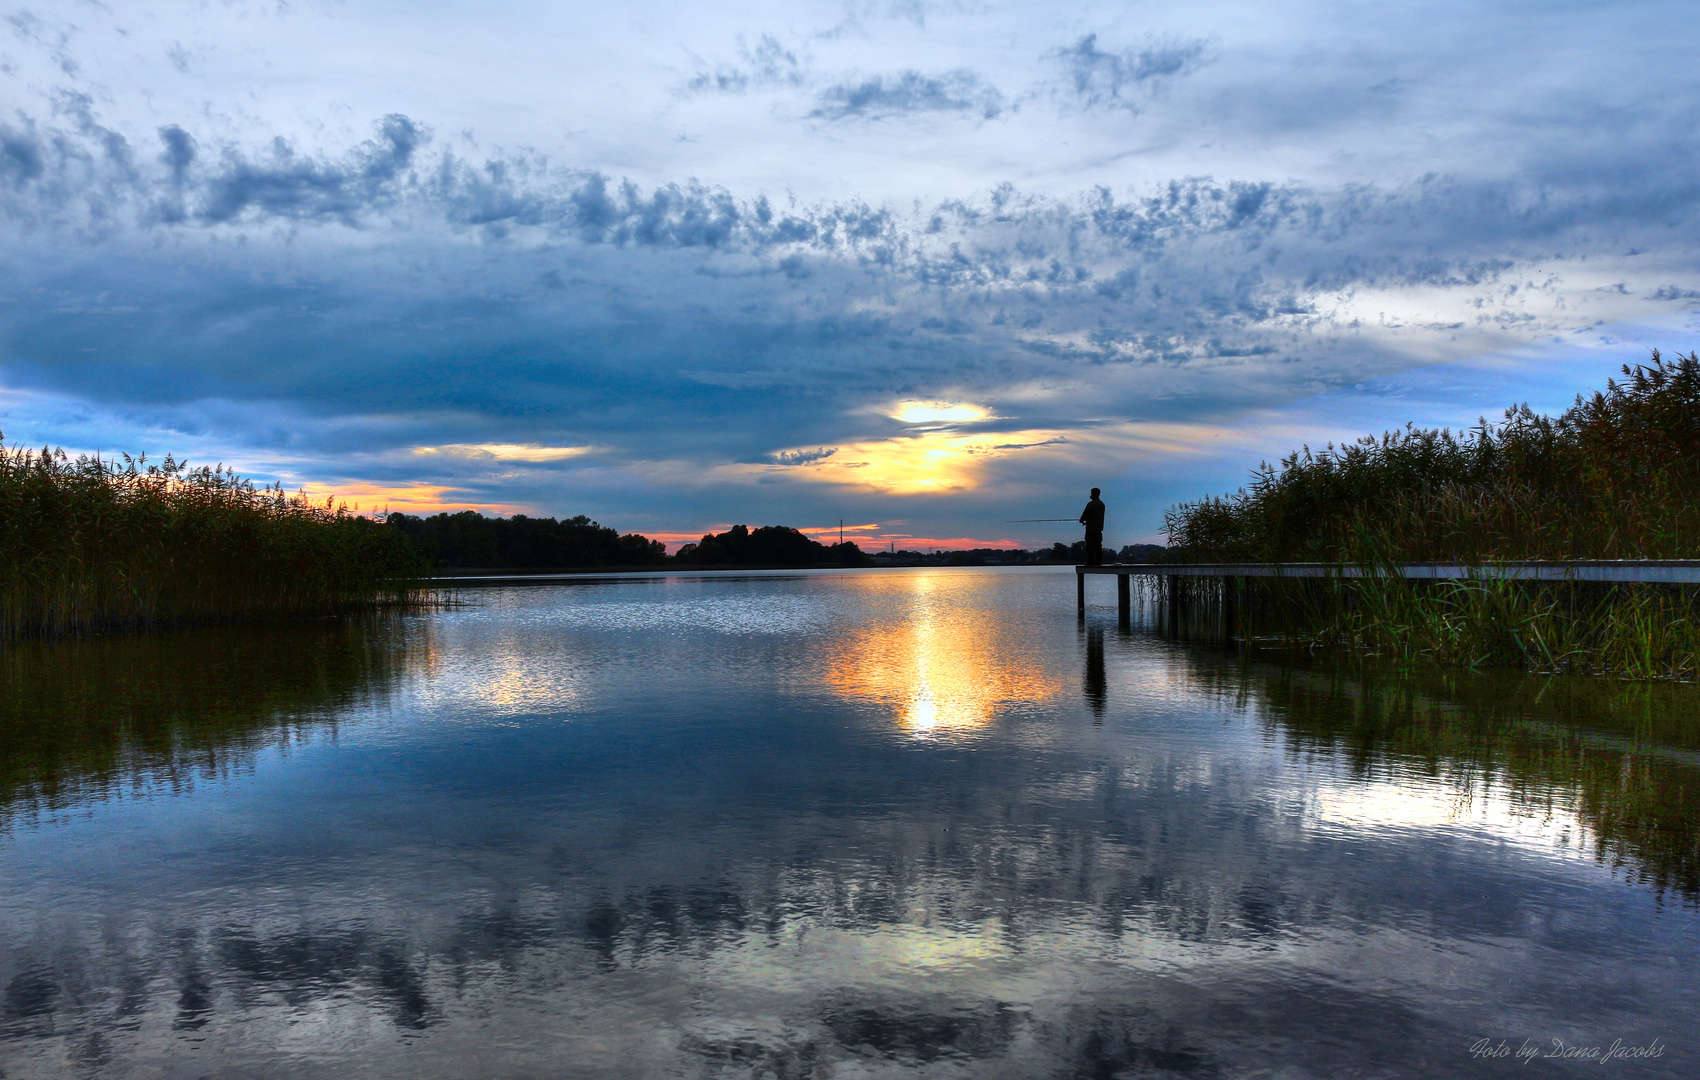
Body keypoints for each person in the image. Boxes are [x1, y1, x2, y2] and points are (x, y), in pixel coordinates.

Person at [1079, 488, 1106, 566]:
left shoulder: (1091, 504)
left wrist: (1082, 520)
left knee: (1090, 546)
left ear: (1093, 494)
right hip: (1099, 529)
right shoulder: (1102, 504)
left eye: (1091, 493)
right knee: (1098, 546)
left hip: (1090, 529)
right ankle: (1098, 562)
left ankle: (1090, 562)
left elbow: (1085, 515)